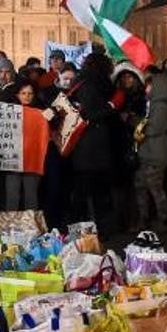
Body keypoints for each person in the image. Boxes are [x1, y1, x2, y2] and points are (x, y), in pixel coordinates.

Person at [64, 52, 117, 235]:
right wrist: (111, 106)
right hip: (93, 143)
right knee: (96, 192)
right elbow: (91, 112)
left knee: (84, 191)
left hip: (83, 145)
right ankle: (95, 230)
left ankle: (82, 229)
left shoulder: (81, 82)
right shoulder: (95, 85)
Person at [134, 71, 167, 231]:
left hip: (156, 155)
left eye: (149, 86)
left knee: (155, 188)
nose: (146, 89)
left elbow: (153, 129)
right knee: (141, 186)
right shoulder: (153, 105)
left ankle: (163, 220)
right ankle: (144, 219)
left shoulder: (162, 107)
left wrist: (133, 122)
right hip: (148, 153)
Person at [2, 80, 44, 211]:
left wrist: (51, 116)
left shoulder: (41, 112)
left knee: (31, 195)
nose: (27, 96)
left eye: (30, 93)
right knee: (12, 195)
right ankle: (11, 229)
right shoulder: (7, 112)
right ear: (17, 95)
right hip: (12, 159)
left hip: (32, 160)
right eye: (23, 93)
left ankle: (31, 228)